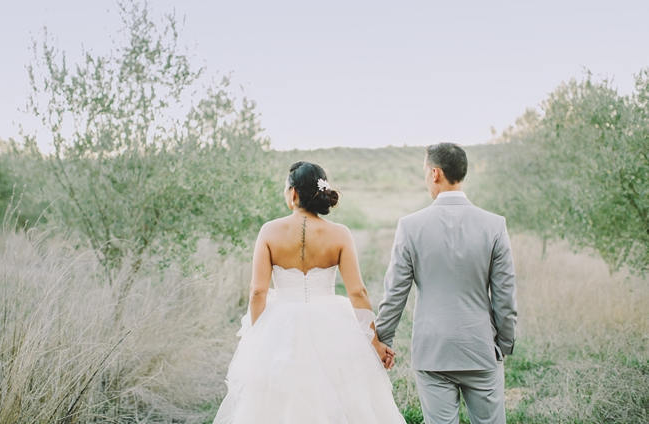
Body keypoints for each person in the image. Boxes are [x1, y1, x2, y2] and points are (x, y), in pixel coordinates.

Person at [213, 161, 406, 424]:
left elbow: (258, 292)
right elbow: (358, 292)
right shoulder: (340, 234)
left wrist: (257, 338)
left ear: (293, 193)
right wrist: (375, 344)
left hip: (280, 326)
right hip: (334, 325)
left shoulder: (269, 231)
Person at [374, 143, 518, 424]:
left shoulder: (411, 226)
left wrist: (383, 340)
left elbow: (395, 294)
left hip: (433, 351)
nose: (426, 178)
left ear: (436, 173)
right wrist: (503, 343)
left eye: (425, 172)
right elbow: (505, 295)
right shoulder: (494, 225)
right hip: (480, 347)